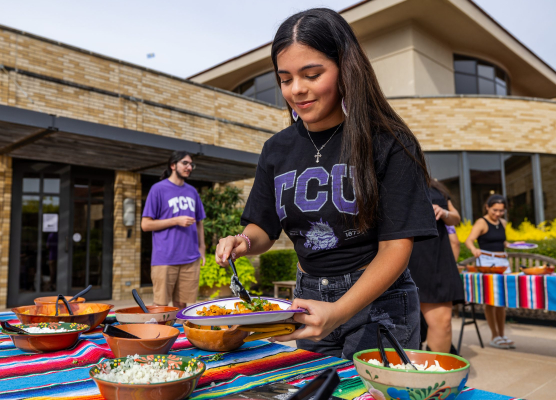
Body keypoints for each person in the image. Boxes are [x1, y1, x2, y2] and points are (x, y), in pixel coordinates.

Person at [214, 8, 437, 360]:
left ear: (346, 69)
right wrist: (242, 241)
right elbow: (263, 229)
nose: (297, 90)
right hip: (308, 299)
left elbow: (396, 247)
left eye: (312, 74)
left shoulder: (388, 141)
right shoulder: (276, 149)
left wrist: (340, 310)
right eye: (285, 79)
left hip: (380, 303)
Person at [141, 151, 206, 309]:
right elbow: (146, 224)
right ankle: (158, 333)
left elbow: (199, 222)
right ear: (173, 165)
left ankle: (183, 334)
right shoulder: (158, 189)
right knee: (160, 306)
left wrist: (202, 248)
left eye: (191, 164)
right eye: (185, 163)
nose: (189, 167)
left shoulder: (192, 191)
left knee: (182, 305)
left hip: (190, 258)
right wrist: (176, 221)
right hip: (165, 258)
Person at [408, 179, 464, 354]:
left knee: (443, 323)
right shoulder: (394, 177)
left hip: (437, 257)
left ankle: (437, 377)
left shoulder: (436, 186)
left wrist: (444, 212)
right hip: (407, 255)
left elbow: (456, 218)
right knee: (409, 325)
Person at [465, 194, 514, 349]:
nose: (498, 214)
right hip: (487, 262)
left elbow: (501, 241)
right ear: (487, 207)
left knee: (502, 302)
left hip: (503, 262)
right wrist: (474, 249)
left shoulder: (503, 222)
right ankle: (494, 336)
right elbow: (469, 240)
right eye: (495, 210)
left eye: (501, 211)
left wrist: (512, 245)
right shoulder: (482, 222)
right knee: (492, 300)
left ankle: (502, 334)